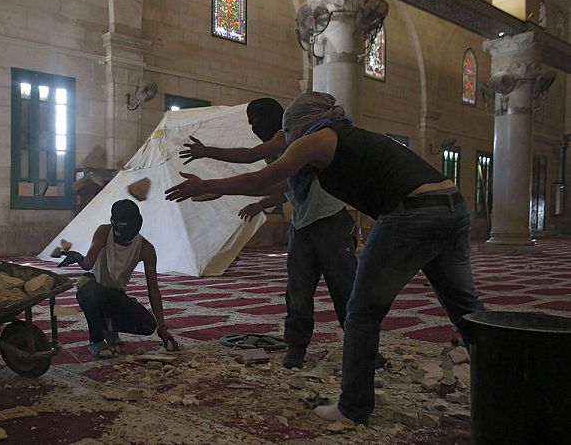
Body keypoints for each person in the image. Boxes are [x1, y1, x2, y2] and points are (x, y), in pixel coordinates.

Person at [165, 92, 485, 424]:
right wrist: (221, 188)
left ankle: (353, 408)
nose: (285, 139)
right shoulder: (341, 135)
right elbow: (277, 182)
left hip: (411, 213)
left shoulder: (316, 138)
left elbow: (265, 175)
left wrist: (209, 182)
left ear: (297, 123)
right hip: (452, 207)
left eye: (287, 131)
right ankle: (505, 384)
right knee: (466, 309)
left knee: (360, 312)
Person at [180, 98, 359, 369]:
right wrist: (253, 201)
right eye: (249, 122)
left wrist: (207, 153)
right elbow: (285, 186)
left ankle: (362, 349)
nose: (254, 127)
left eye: (257, 121)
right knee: (297, 290)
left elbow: (251, 158)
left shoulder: (288, 138)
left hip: (330, 221)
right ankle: (296, 347)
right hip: (302, 224)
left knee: (344, 289)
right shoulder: (282, 148)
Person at [58, 199, 179, 358]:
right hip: (92, 284)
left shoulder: (145, 249)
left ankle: (107, 325)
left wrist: (162, 327)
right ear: (113, 224)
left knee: (148, 325)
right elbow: (88, 264)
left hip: (114, 294)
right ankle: (96, 340)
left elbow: (153, 289)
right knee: (90, 289)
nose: (122, 239)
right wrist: (79, 258)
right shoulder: (103, 232)